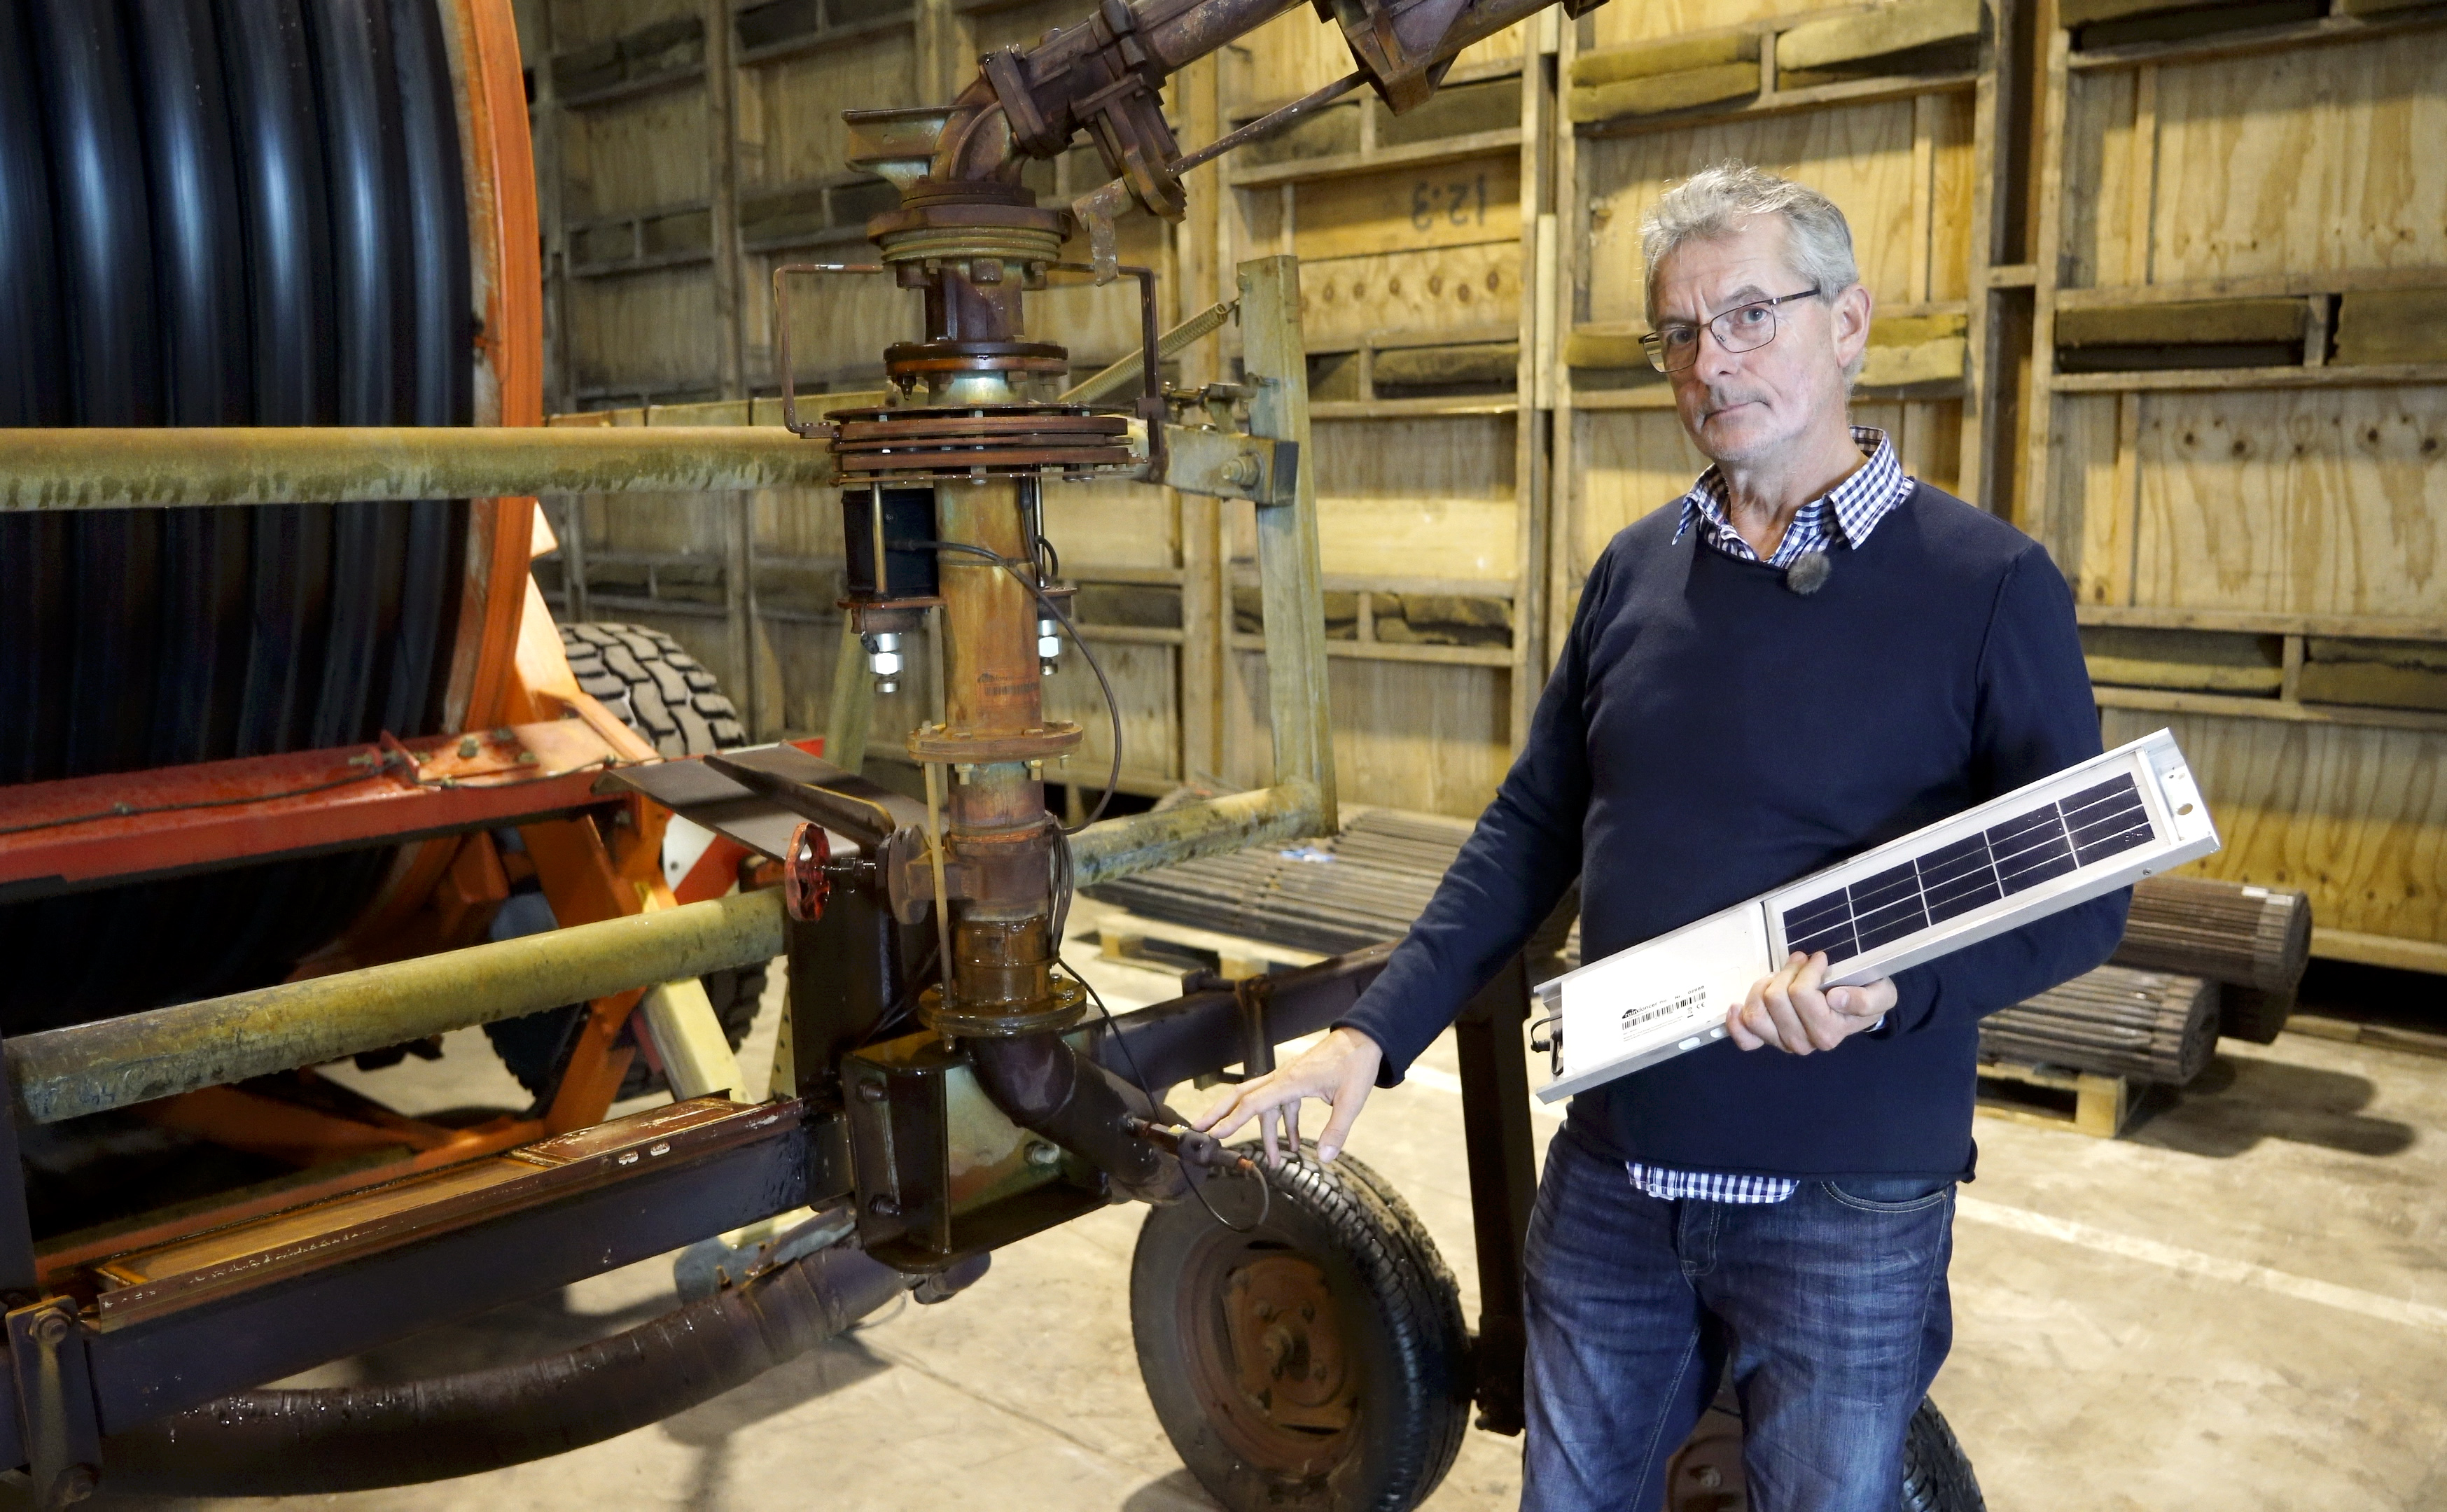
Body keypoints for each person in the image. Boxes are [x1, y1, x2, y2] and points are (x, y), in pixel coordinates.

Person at [1193, 162, 2128, 1511]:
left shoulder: (1986, 588)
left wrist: (1897, 991)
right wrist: (1367, 1034)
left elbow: (2080, 895)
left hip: (1845, 1199)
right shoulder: (1637, 570)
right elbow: (1531, 829)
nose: (1712, 361)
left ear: (1850, 322)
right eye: (1679, 332)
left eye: (1750, 315)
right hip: (1618, 1175)